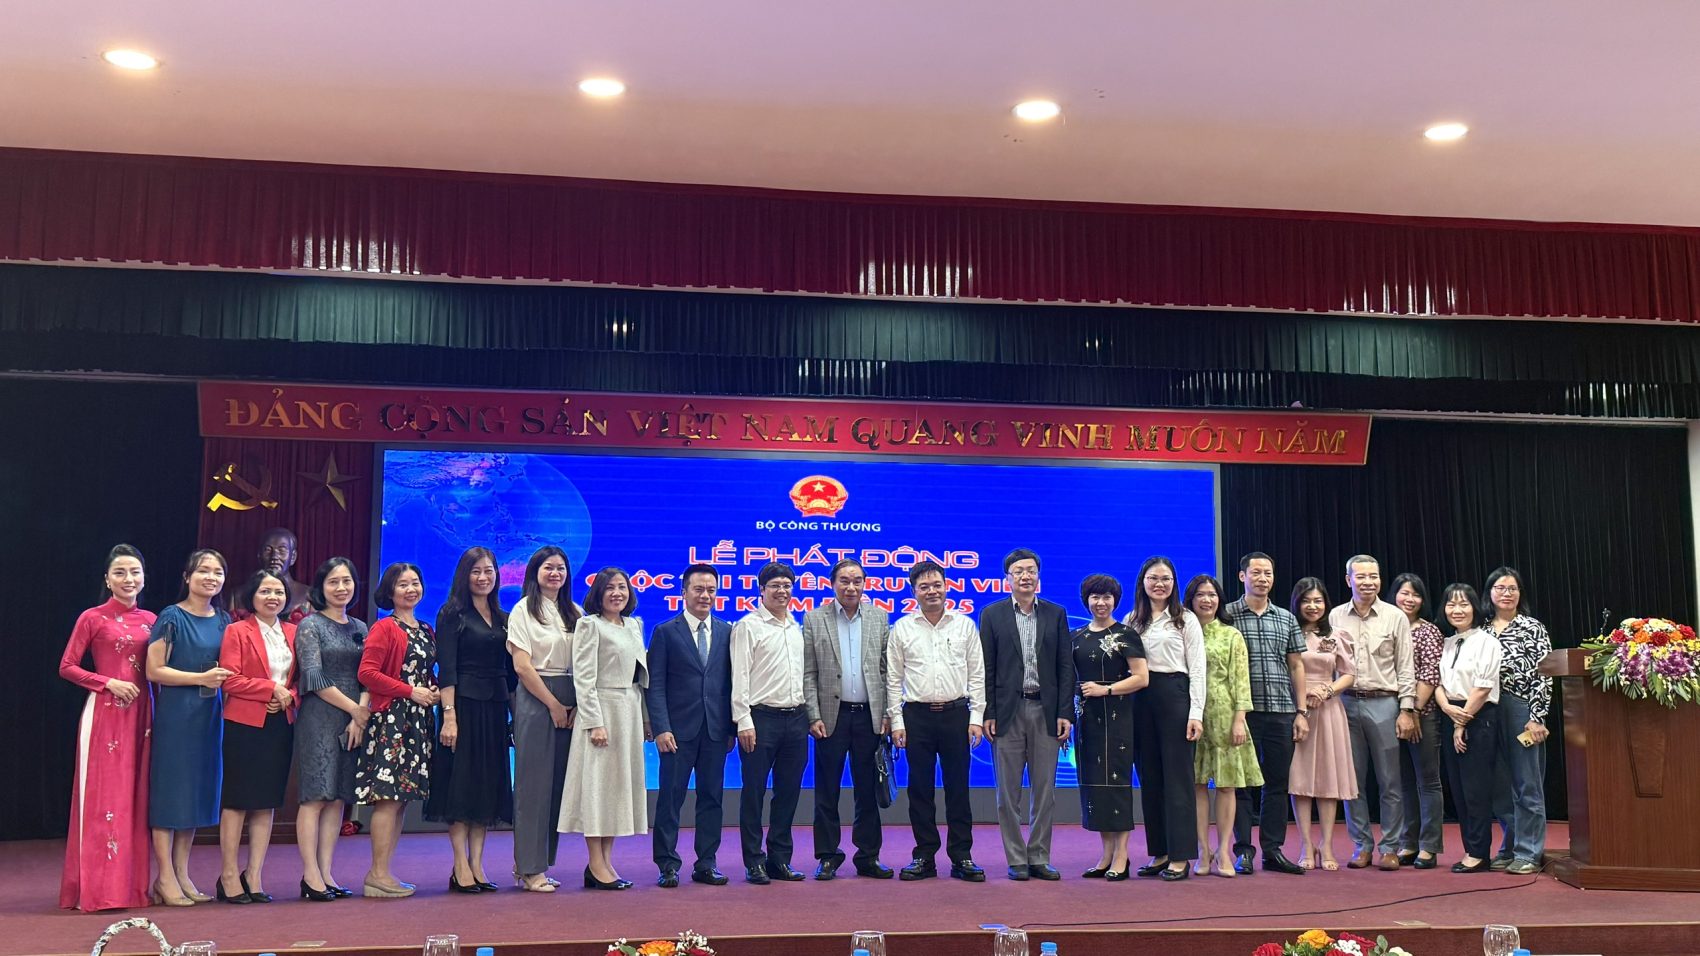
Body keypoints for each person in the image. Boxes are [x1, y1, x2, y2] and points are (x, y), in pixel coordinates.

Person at [58, 544, 154, 912]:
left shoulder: (153, 619)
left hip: (144, 716)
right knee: (105, 800)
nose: (129, 579)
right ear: (107, 579)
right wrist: (107, 683)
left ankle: (131, 889)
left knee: (136, 800)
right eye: (120, 572)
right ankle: (100, 890)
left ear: (144, 577)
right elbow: (67, 666)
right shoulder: (92, 617)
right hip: (107, 713)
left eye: (135, 572)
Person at [887, 560, 987, 882]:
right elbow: (893, 679)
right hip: (916, 717)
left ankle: (962, 856)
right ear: (914, 591)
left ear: (946, 587)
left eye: (936, 585)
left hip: (957, 715)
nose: (931, 591)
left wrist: (976, 717)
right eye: (924, 587)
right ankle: (924, 855)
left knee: (958, 788)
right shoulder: (902, 628)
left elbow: (977, 675)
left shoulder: (964, 625)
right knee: (920, 790)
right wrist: (897, 721)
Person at [146, 549, 234, 906]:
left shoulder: (224, 619)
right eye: (203, 571)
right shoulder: (172, 616)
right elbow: (154, 670)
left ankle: (183, 873)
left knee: (196, 793)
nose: (211, 577)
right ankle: (164, 877)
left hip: (209, 714)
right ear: (187, 577)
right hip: (177, 715)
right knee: (171, 793)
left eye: (218, 572)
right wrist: (200, 678)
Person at [980, 548, 1073, 882]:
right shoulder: (992, 614)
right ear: (1007, 578)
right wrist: (988, 711)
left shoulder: (1055, 613)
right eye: (1018, 571)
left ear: (1038, 576)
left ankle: (1039, 856)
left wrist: (1065, 712)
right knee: (1007, 794)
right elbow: (986, 668)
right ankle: (1016, 858)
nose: (1025, 576)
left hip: (1045, 711)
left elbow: (1065, 666)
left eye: (1031, 570)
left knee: (1045, 791)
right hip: (1007, 712)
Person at [426, 546, 514, 894]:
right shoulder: (452, 613)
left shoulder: (504, 617)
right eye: (476, 571)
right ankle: (459, 864)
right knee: (461, 784)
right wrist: (449, 717)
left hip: (495, 708)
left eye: (489, 571)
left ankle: (477, 863)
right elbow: (446, 668)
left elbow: (510, 673)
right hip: (462, 706)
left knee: (486, 785)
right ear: (465, 575)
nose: (483, 577)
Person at [559, 567, 650, 890]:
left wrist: (645, 719)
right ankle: (595, 863)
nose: (617, 593)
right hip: (601, 711)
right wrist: (595, 722)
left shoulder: (634, 625)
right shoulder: (589, 625)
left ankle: (605, 861)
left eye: (622, 587)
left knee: (616, 790)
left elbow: (639, 677)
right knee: (598, 789)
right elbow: (584, 678)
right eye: (609, 587)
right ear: (598, 592)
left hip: (628, 712)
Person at [802, 559, 893, 880]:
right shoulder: (814, 619)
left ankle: (868, 856)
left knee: (867, 790)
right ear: (832, 584)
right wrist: (812, 714)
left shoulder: (879, 617)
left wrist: (887, 713)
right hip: (831, 718)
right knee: (826, 790)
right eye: (844, 580)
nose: (851, 587)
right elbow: (808, 673)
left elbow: (887, 670)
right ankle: (828, 856)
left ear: (865, 584)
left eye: (857, 581)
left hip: (869, 716)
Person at [648, 563, 735, 887]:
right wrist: (661, 727)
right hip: (677, 732)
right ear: (684, 592)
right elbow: (655, 685)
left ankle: (706, 864)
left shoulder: (727, 631)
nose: (705, 595)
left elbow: (732, 683)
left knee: (712, 798)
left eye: (711, 590)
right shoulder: (665, 632)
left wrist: (731, 728)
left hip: (715, 730)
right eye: (699, 589)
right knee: (671, 799)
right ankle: (667, 864)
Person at [215, 570, 299, 904]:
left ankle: (254, 874)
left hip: (281, 723)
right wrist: (271, 689)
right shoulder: (237, 630)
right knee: (237, 801)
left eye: (279, 591)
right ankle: (228, 875)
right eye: (265, 591)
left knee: (266, 801)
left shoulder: (293, 631)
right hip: (244, 723)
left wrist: (290, 695)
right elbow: (229, 679)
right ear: (252, 596)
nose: (273, 597)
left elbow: (300, 681)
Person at [355, 562, 438, 899]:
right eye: (403, 584)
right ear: (389, 591)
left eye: (415, 583)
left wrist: (431, 689)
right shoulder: (384, 627)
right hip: (392, 720)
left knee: (401, 800)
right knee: (388, 799)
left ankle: (385, 872)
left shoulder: (426, 629)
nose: (410, 589)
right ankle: (376, 874)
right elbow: (367, 673)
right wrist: (410, 691)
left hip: (418, 721)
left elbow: (423, 672)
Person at [1329, 554, 1416, 871]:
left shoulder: (1395, 616)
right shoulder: (1336, 616)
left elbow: (1405, 666)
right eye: (1361, 576)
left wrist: (1407, 709)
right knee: (1352, 782)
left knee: (1390, 781)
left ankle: (1390, 847)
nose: (1368, 582)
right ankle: (1362, 845)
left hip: (1385, 703)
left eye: (1373, 576)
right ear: (1348, 580)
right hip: (1345, 703)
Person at [1226, 552, 1309, 876]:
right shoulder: (1227, 615)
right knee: (1241, 784)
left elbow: (1296, 666)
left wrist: (1301, 712)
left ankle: (1273, 850)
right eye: (1256, 572)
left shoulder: (1286, 618)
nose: (1262, 578)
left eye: (1268, 573)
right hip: (1242, 713)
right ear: (1242, 576)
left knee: (1277, 784)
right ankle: (1243, 851)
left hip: (1281, 710)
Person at [292, 556, 369, 901]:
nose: (341, 588)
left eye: (346, 581)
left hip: (354, 719)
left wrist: (359, 715)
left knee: (338, 797)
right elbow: (313, 676)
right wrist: (354, 709)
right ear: (321, 588)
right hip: (320, 715)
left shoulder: (360, 626)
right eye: (333, 582)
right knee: (316, 795)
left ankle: (326, 872)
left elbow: (368, 675)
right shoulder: (310, 625)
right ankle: (310, 875)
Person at [1123, 555, 1204, 882]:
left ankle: (1181, 856)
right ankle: (1160, 852)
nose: (1159, 584)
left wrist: (1195, 713)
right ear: (1142, 582)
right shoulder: (1132, 620)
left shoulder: (1185, 619)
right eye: (1153, 578)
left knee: (1178, 780)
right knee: (1150, 779)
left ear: (1174, 583)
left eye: (1166, 579)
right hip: (1140, 699)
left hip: (1175, 697)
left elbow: (1198, 669)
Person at [730, 562, 809, 884]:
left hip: (796, 719)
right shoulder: (748, 626)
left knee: (788, 793)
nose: (782, 591)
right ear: (761, 590)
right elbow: (739, 676)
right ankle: (754, 861)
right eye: (775, 585)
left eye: (787, 585)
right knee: (754, 793)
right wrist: (743, 720)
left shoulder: (795, 626)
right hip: (760, 719)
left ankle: (779, 859)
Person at [508, 546, 581, 892]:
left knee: (556, 788)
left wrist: (577, 704)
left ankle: (539, 863)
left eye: (561, 568)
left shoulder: (575, 612)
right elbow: (522, 667)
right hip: (537, 694)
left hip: (572, 697)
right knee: (533, 786)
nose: (555, 573)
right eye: (548, 567)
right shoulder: (523, 610)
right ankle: (529, 867)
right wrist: (553, 704)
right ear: (535, 572)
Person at [1071, 574, 1148, 880]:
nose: (1100, 603)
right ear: (1086, 600)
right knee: (1094, 786)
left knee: (1116, 784)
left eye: (1106, 597)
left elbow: (1141, 678)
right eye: (1095, 597)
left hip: (1117, 718)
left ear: (1115, 600)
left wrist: (1107, 690)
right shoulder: (1076, 636)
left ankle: (1122, 855)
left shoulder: (1126, 634)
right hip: (1086, 720)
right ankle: (1105, 854)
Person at [1186, 574, 1261, 878]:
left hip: (1226, 716)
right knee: (1197, 785)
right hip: (1191, 716)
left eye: (1212, 594)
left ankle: (1224, 851)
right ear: (1190, 600)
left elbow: (1241, 680)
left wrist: (1240, 718)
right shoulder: (1183, 631)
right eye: (1200, 595)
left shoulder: (1231, 634)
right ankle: (1202, 850)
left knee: (1227, 786)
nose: (1207, 600)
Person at [1484, 566, 1551, 875]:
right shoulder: (1481, 628)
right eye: (1500, 588)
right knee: (1498, 786)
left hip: (1521, 708)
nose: (1506, 593)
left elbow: (1544, 674)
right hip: (1486, 709)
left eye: (1512, 588)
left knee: (1527, 784)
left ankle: (1529, 852)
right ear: (1490, 593)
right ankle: (1510, 845)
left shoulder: (1532, 627)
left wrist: (1537, 717)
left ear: (1520, 593)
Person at [1289, 578, 1357, 871]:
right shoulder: (1289, 632)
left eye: (1318, 600)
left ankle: (1326, 844)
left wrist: (1327, 690)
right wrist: (1303, 698)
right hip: (1297, 709)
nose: (1312, 606)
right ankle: (1306, 844)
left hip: (1329, 710)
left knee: (1329, 778)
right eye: (1306, 600)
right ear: (1297, 603)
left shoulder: (1337, 635)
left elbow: (1349, 674)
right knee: (1300, 779)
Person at [1434, 584, 1503, 874]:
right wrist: (1447, 709)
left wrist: (1460, 723)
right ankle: (1470, 849)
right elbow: (1438, 683)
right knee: (1459, 790)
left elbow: (1483, 687)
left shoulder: (1487, 641)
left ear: (1475, 607)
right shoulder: (1448, 642)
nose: (1457, 610)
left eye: (1463, 604)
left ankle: (1479, 853)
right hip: (1451, 713)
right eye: (1451, 604)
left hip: (1478, 715)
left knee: (1476, 789)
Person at [1390, 572, 1445, 869]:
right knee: (1403, 783)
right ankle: (1408, 842)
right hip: (1392, 714)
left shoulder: (1428, 631)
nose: (1409, 599)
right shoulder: (1388, 627)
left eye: (1416, 594)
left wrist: (1412, 711)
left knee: (1428, 781)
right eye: (1404, 593)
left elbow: (1430, 674)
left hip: (1421, 715)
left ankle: (1429, 846)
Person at [232, 528, 311, 625]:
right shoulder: (238, 595)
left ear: (293, 557)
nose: (274, 556)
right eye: (268, 550)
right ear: (259, 555)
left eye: (282, 551)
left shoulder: (309, 595)